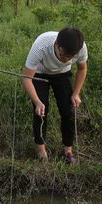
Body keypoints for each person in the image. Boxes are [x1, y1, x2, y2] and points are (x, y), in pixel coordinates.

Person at [22, 27, 88, 164]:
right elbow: (26, 78)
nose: (66, 59)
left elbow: (82, 69)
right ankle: (41, 150)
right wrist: (37, 102)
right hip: (39, 73)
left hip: (62, 75)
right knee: (40, 111)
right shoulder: (41, 46)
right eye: (63, 56)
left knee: (68, 111)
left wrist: (76, 94)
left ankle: (68, 151)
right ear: (57, 45)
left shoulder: (80, 48)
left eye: (70, 57)